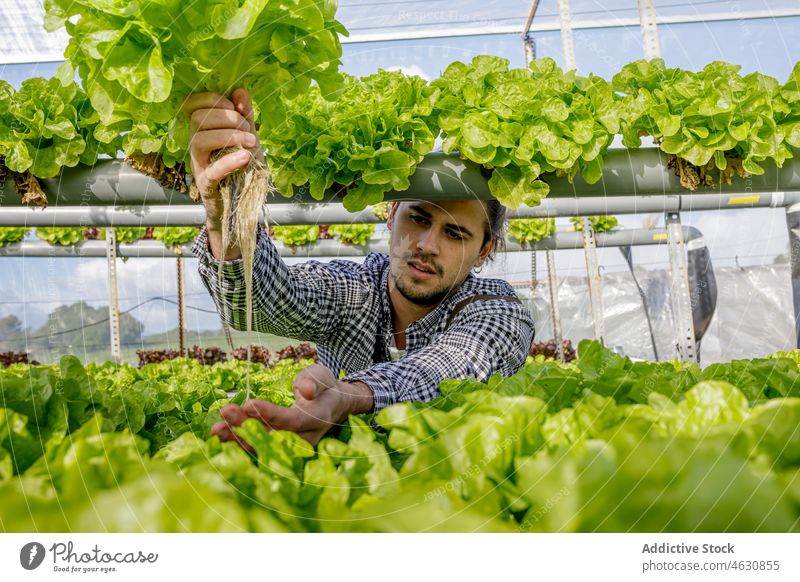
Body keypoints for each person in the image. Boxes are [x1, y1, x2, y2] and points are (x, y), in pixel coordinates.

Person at [183, 89, 535, 447]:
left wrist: (347, 397)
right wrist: (226, 215)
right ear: (392, 213)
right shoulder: (356, 289)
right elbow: (265, 302)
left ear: (483, 252)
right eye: (418, 218)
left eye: (456, 234)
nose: (428, 245)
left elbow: (451, 367)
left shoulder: (497, 311)